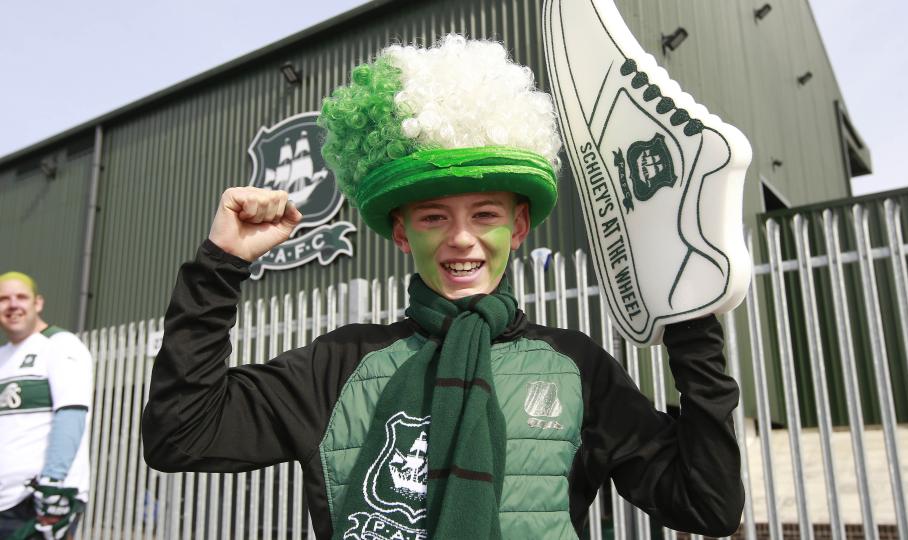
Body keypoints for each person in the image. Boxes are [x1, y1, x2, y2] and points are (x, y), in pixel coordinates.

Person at [142, 35, 743, 539]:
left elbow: (707, 505)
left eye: (485, 214)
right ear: (402, 233)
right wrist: (221, 265)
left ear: (519, 225)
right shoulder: (339, 365)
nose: (461, 238)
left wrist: (691, 323)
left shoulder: (576, 367)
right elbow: (180, 434)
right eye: (434, 217)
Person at [0, 272, 92, 540]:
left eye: (21, 297)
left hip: (39, 503)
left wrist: (53, 485)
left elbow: (71, 414)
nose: (13, 305)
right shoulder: (2, 357)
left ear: (37, 303)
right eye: (4, 299)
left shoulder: (60, 345)